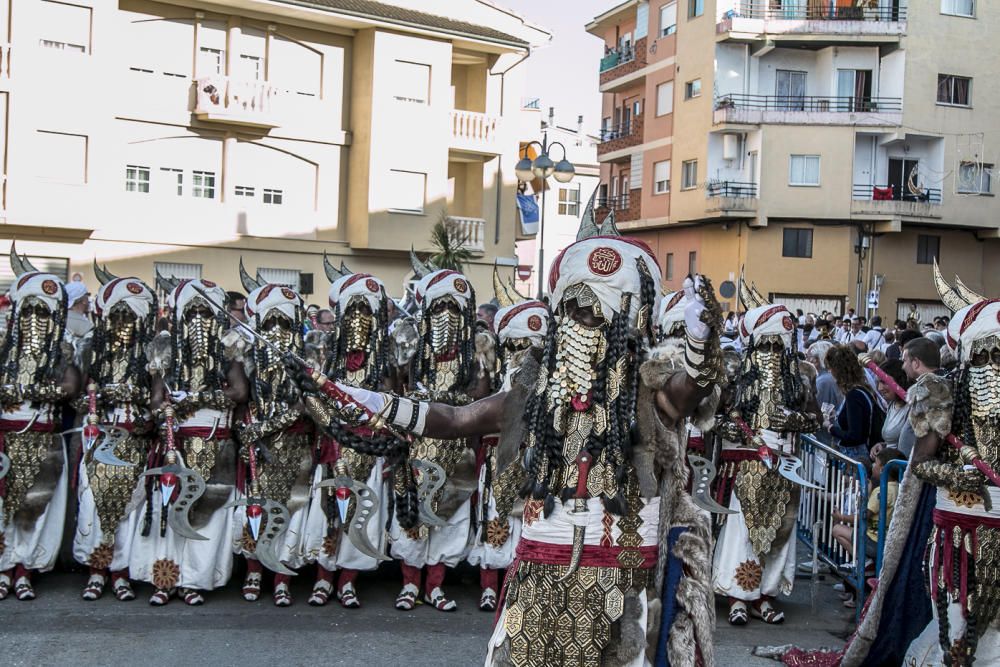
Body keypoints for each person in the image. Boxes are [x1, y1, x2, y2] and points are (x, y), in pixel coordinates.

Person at [302, 226, 724, 664]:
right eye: (577, 314)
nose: (586, 327)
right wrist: (376, 401)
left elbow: (692, 388)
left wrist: (699, 342)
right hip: (540, 581)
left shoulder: (649, 395)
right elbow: (454, 418)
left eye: (601, 318)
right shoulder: (529, 396)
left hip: (623, 586)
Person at [129, 278, 249, 606]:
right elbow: (155, 400)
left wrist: (198, 397)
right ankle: (164, 580)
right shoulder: (165, 349)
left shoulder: (228, 346)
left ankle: (194, 581)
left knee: (207, 514)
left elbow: (239, 392)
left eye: (205, 312)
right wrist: (170, 404)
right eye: (192, 312)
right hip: (174, 446)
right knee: (168, 512)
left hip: (217, 446)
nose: (198, 319)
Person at [713, 284, 820, 626]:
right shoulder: (734, 373)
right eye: (766, 343)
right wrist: (728, 428)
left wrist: (796, 419)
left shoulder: (800, 377)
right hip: (743, 467)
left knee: (778, 535)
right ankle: (737, 597)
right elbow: (712, 416)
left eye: (778, 344)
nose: (772, 350)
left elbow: (816, 418)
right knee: (741, 534)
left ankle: (765, 596)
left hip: (784, 468)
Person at [388, 258, 491, 612]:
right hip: (417, 447)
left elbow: (482, 396)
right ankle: (409, 586)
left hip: (457, 449)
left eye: (453, 307)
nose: (446, 313)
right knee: (412, 517)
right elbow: (396, 391)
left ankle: (434, 587)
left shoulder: (477, 349)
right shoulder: (412, 344)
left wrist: (447, 400)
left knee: (449, 520)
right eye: (440, 306)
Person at [302, 267, 395, 609]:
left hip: (369, 447)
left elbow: (392, 400)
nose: (359, 319)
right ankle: (323, 579)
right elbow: (307, 397)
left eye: (365, 312)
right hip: (334, 444)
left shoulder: (385, 356)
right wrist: (330, 415)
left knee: (361, 514)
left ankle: (348, 582)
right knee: (329, 512)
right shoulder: (323, 350)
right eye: (352, 311)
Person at [0, 253, 82, 600]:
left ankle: (24, 571)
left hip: (43, 438)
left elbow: (71, 387)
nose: (36, 318)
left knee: (36, 507)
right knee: (3, 508)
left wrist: (42, 391)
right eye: (30, 310)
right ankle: (4, 568)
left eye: (43, 311)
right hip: (5, 437)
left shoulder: (61, 346)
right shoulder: (4, 343)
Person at [73, 272, 158, 602]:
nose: (123, 322)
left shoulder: (152, 354)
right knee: (93, 506)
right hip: (100, 440)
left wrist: (143, 412)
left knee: (129, 508)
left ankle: (121, 573)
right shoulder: (91, 351)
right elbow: (77, 397)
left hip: (134, 442)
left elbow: (157, 400)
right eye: (118, 315)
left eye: (130, 316)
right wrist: (100, 397)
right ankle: (96, 572)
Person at [233, 278, 316, 607]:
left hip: (296, 446)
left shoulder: (308, 360)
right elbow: (240, 401)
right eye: (271, 323)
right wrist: (247, 432)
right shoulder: (247, 357)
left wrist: (275, 424)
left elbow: (311, 407)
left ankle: (282, 577)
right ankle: (254, 571)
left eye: (285, 322)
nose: (278, 330)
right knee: (256, 510)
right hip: (259, 449)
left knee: (292, 509)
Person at [466, 290, 549, 612]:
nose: (522, 353)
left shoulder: (552, 377)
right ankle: (489, 587)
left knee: (530, 523)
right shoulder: (498, 370)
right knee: (495, 519)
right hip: (500, 457)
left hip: (535, 459)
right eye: (517, 345)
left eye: (530, 346)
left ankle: (520, 585)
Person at [830, 448, 906, 607]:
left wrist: (841, 517)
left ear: (883, 469)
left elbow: (865, 515)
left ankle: (864, 562)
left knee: (837, 530)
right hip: (885, 540)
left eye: (876, 464)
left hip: (872, 540)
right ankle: (864, 563)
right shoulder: (899, 489)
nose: (873, 466)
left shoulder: (881, 491)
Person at [824, 345, 884, 464]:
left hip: (857, 458)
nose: (829, 372)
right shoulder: (862, 389)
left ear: (838, 370)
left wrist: (830, 427)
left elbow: (854, 435)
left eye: (830, 369)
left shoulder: (854, 394)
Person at [871, 358, 916, 458]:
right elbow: (892, 441)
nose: (879, 388)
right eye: (878, 382)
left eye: (884, 382)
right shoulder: (892, 405)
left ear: (899, 381)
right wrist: (882, 446)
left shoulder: (912, 408)